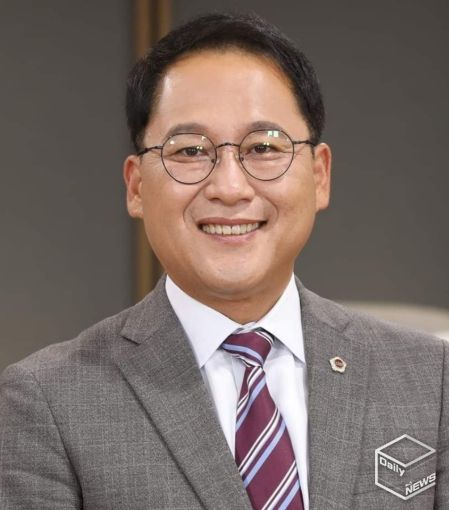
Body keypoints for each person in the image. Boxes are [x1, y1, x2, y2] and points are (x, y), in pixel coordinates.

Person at [0, 12, 447, 510]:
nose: (230, 187)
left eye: (264, 147)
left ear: (319, 175)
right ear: (137, 186)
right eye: (190, 151)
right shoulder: (48, 401)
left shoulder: (432, 380)